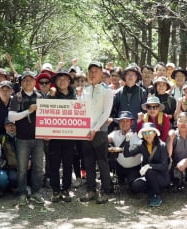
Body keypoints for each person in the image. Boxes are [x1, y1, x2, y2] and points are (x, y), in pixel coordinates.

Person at [8, 71, 45, 206]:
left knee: (38, 168)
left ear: (35, 82)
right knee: (22, 169)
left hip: (39, 138)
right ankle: (22, 194)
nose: (28, 82)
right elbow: (11, 117)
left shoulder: (40, 97)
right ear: (21, 83)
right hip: (22, 139)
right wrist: (27, 111)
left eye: (30, 80)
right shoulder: (16, 97)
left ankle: (36, 193)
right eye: (25, 80)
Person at [80, 62, 114, 204]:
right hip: (85, 131)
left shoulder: (107, 90)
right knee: (88, 161)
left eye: (96, 71)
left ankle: (106, 191)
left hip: (100, 131)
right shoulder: (85, 90)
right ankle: (91, 190)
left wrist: (95, 129)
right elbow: (81, 110)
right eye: (90, 71)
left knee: (102, 162)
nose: (92, 73)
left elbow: (106, 112)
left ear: (102, 73)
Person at [45, 70, 78, 203]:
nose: (62, 81)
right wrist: (45, 132)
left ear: (69, 81)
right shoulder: (51, 95)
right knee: (54, 164)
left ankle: (65, 189)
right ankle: (55, 190)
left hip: (70, 137)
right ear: (56, 82)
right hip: (54, 137)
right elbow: (45, 114)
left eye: (65, 79)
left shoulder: (76, 96)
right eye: (59, 79)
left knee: (68, 164)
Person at [123, 123, 169, 207]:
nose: (147, 135)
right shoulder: (141, 145)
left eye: (150, 132)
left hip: (161, 177)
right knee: (135, 186)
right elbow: (127, 154)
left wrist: (150, 166)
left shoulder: (162, 145)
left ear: (155, 133)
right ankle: (152, 189)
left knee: (150, 172)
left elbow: (164, 166)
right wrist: (127, 141)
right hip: (147, 176)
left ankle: (156, 195)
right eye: (144, 133)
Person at [108, 111, 141, 189]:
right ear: (118, 122)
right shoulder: (114, 134)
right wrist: (106, 126)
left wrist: (118, 150)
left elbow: (133, 154)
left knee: (134, 188)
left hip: (133, 168)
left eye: (127, 121)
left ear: (131, 122)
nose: (124, 123)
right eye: (122, 121)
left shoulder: (137, 136)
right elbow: (104, 140)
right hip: (119, 166)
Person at [167, 112, 187, 188]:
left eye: (186, 121)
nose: (183, 123)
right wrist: (171, 140)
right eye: (180, 121)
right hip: (176, 164)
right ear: (176, 123)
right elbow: (169, 154)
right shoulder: (173, 134)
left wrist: (186, 161)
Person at [111, 65, 147, 132]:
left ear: (136, 77)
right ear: (124, 77)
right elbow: (114, 112)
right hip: (121, 129)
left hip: (137, 128)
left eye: (133, 74)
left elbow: (145, 111)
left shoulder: (142, 92)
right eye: (128, 74)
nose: (130, 76)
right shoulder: (118, 93)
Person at [0, 122, 19, 194]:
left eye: (13, 125)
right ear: (5, 127)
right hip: (4, 166)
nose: (11, 127)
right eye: (9, 125)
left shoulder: (21, 137)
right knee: (1, 178)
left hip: (18, 167)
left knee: (14, 178)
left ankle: (14, 187)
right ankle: (2, 188)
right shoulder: (1, 138)